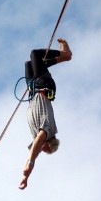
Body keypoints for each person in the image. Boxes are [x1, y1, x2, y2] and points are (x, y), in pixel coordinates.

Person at [19, 38, 72, 190]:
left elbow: (34, 149)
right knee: (35, 54)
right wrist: (29, 166)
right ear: (49, 143)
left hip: (34, 90)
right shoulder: (48, 131)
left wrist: (25, 175)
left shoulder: (37, 137)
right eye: (45, 149)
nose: (41, 150)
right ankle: (65, 54)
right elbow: (36, 148)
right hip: (44, 86)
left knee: (28, 64)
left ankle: (63, 57)